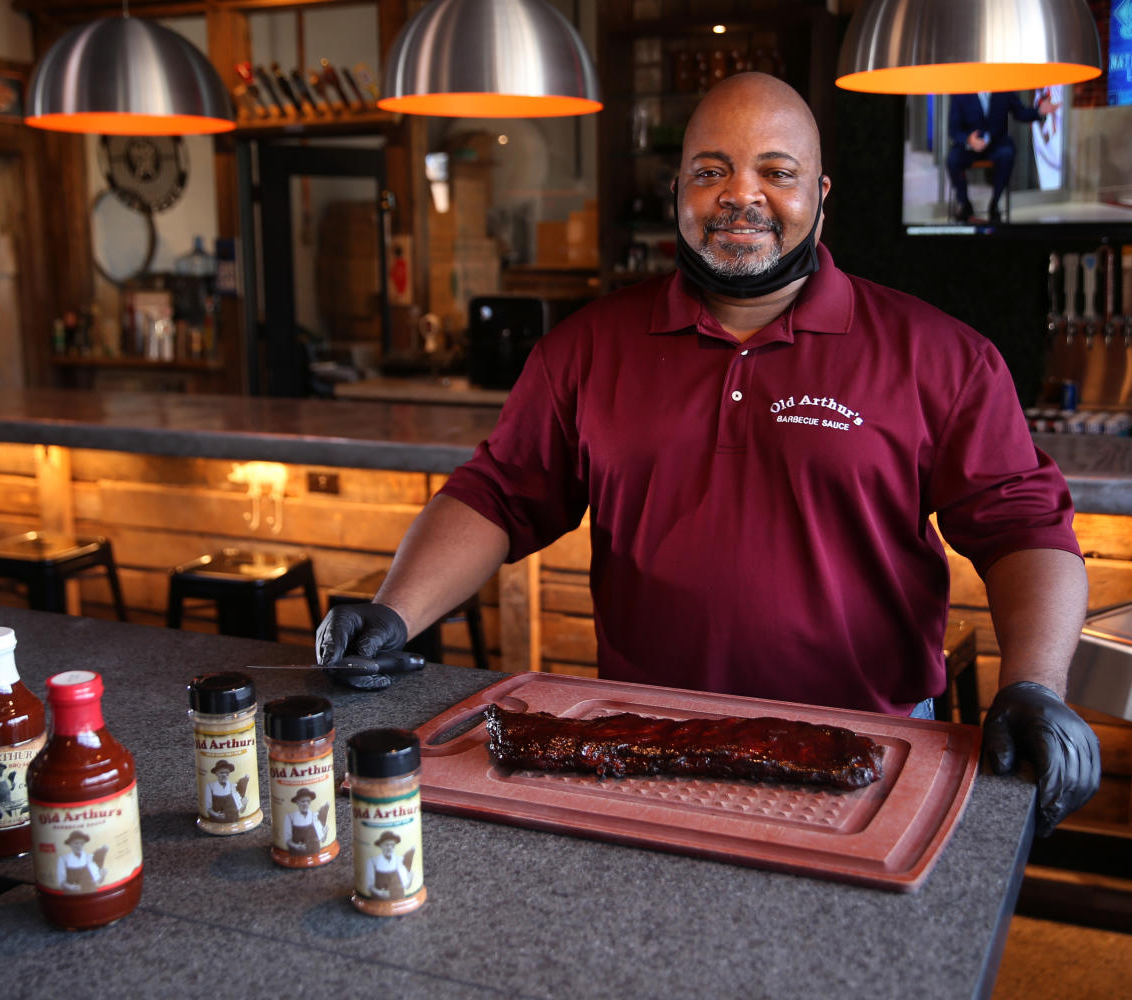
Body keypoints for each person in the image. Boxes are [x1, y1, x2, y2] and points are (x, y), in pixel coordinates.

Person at [316, 72, 1099, 838]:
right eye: (711, 171)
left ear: (821, 197)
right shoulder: (587, 348)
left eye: (776, 172)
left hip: (867, 744)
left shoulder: (937, 355)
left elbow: (1024, 528)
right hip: (645, 743)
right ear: (680, 194)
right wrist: (395, 610)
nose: (741, 194)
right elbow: (499, 495)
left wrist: (1035, 684)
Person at [947, 90, 1058, 223]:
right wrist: (969, 140)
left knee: (1007, 154)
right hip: (969, 146)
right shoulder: (961, 93)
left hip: (996, 144)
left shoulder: (1003, 90)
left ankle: (995, 203)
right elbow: (953, 130)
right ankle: (964, 203)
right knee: (953, 160)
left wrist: (1039, 111)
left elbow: (1020, 112)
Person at [364, 831, 411, 900]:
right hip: (379, 899)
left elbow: (406, 884)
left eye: (392, 845)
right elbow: (370, 885)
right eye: (386, 845)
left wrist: (410, 877)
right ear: (381, 846)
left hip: (399, 898)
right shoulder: (373, 861)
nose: (389, 848)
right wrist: (379, 893)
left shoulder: (399, 860)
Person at [282, 787, 327, 856]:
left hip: (314, 853)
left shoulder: (314, 816)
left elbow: (322, 839)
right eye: (303, 801)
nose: (306, 804)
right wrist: (296, 846)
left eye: (308, 801)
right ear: (297, 802)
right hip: (296, 854)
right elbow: (287, 840)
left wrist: (325, 832)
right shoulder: (290, 817)